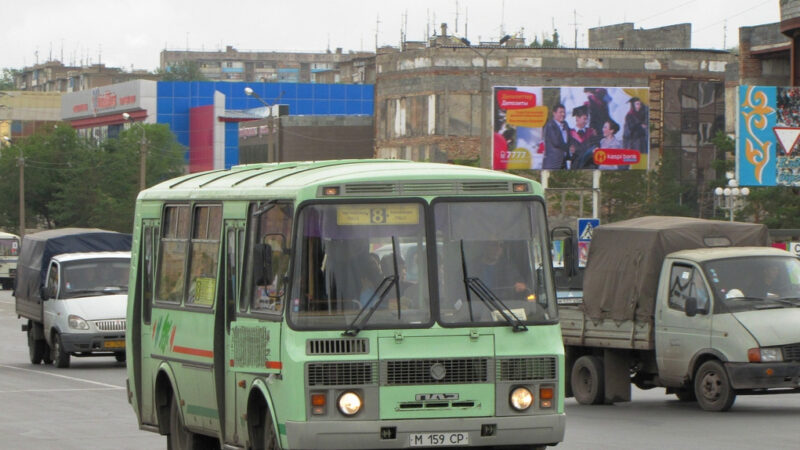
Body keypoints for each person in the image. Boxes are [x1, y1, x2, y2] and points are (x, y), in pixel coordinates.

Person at [568, 105, 599, 169]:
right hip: (575, 166)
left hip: (589, 166)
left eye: (587, 119)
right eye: (584, 119)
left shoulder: (591, 133)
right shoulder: (570, 133)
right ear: (577, 118)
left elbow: (596, 147)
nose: (586, 121)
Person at [542, 103, 571, 170]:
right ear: (554, 113)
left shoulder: (565, 124)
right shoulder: (550, 125)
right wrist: (568, 147)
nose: (563, 114)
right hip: (553, 163)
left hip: (563, 162)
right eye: (560, 112)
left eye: (564, 112)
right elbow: (556, 142)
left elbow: (569, 139)